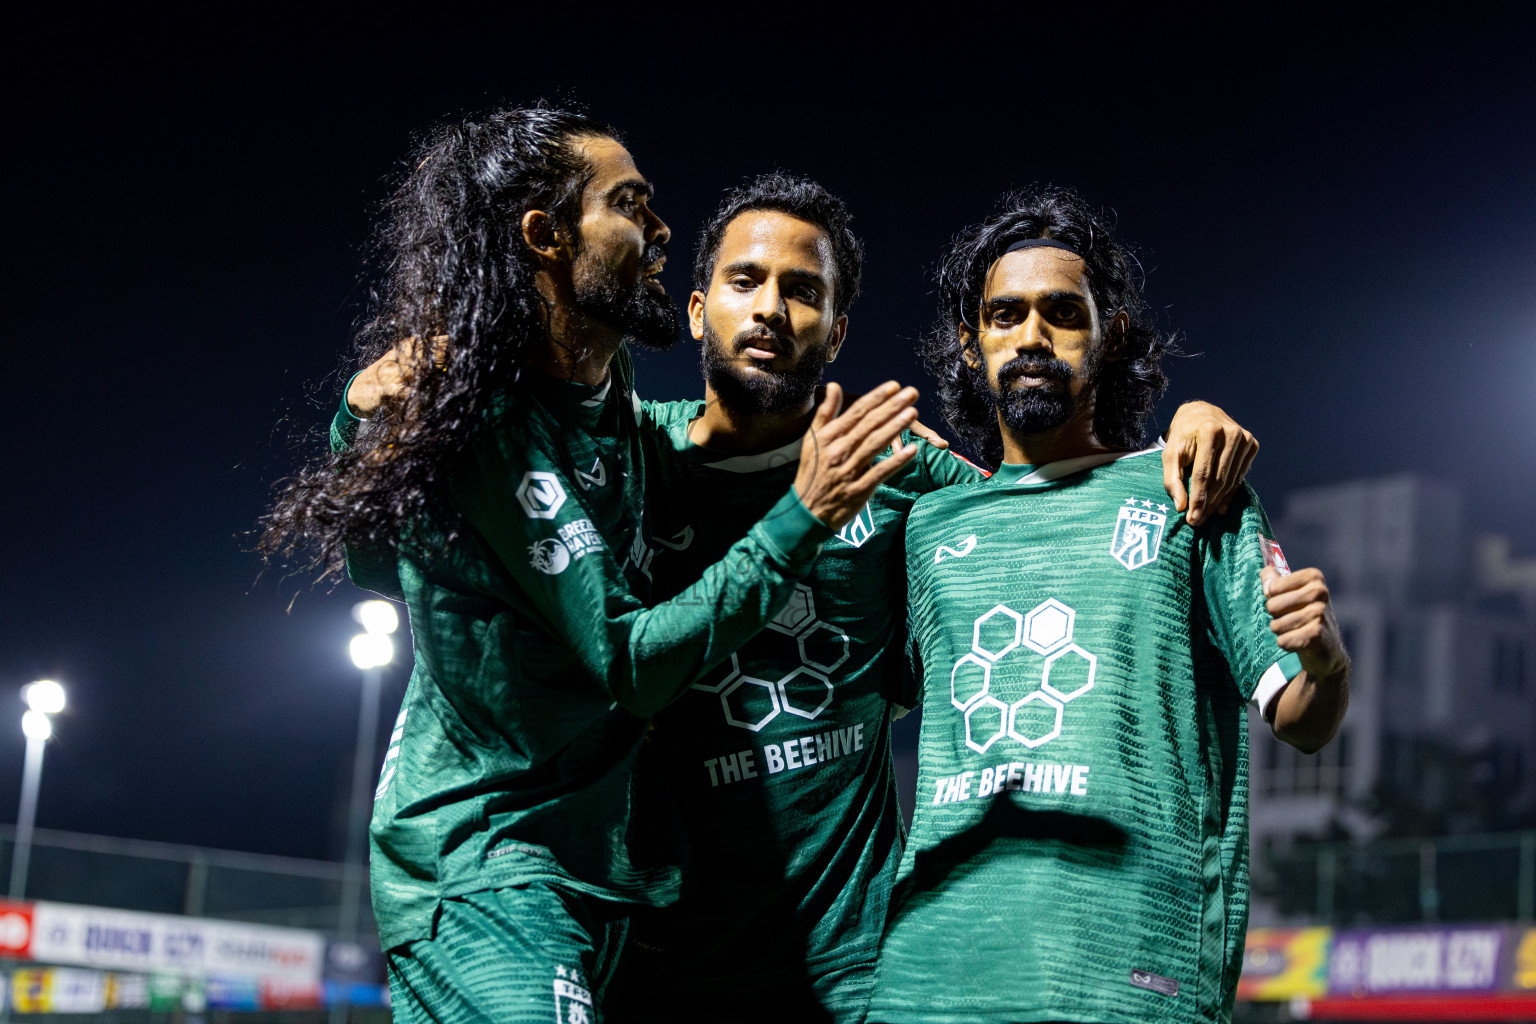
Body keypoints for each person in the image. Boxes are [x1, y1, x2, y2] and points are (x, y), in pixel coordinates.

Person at [346, 172, 1260, 1023]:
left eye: (805, 290)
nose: (772, 309)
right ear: (700, 308)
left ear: (838, 331)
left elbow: (1049, 505)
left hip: (849, 974)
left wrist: (1183, 423)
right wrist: (366, 424)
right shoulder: (627, 459)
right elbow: (413, 569)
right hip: (655, 958)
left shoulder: (897, 468)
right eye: (746, 281)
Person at [260, 106, 920, 1024]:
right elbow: (628, 658)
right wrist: (362, 418)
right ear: (545, 234)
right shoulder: (497, 415)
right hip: (491, 864)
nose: (658, 231)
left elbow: (385, 561)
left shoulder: (616, 403)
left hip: (604, 878)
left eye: (801, 291)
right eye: (632, 207)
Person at [865, 187, 1349, 1024]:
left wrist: (1327, 661)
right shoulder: (927, 518)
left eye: (1062, 312)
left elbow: (1303, 719)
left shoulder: (1191, 487)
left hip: (1121, 971)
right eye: (1004, 314)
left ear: (1111, 333)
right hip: (925, 974)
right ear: (970, 343)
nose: (1031, 337)